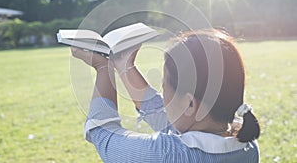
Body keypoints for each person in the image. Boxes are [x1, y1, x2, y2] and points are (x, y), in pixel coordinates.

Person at [71, 29, 260, 162]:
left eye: (164, 88)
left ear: (189, 105)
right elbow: (168, 119)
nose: (163, 97)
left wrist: (102, 68)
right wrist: (124, 66)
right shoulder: (246, 142)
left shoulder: (166, 155)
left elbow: (103, 134)